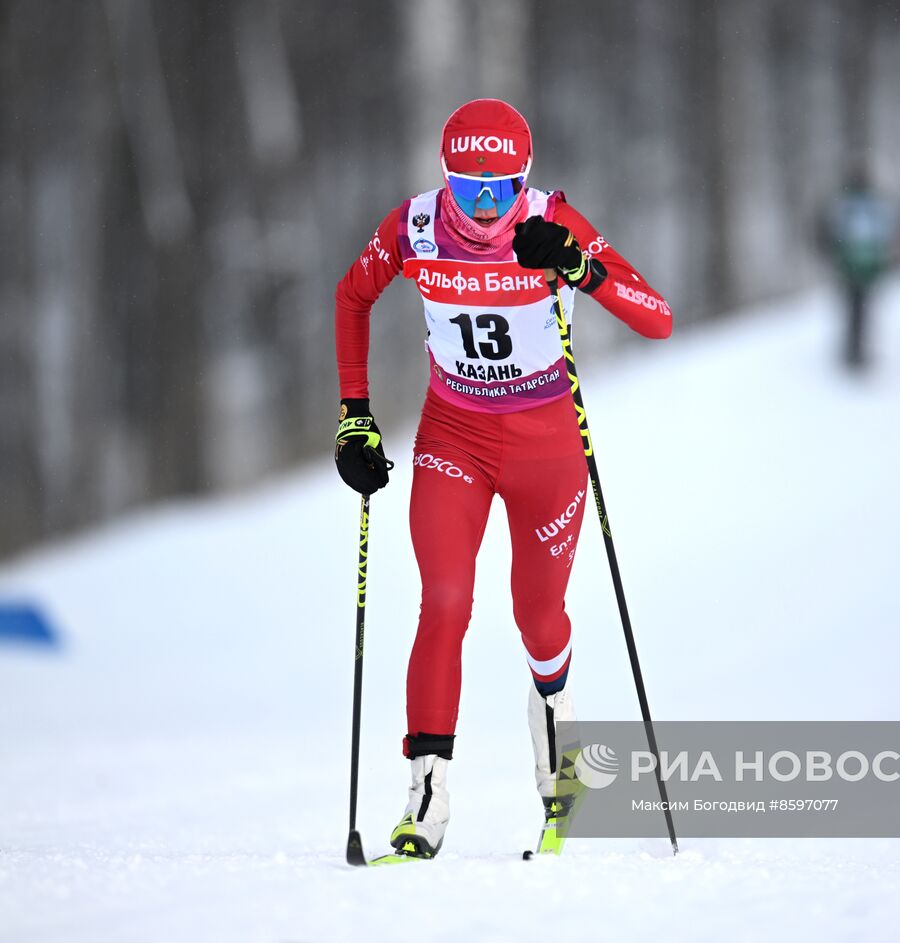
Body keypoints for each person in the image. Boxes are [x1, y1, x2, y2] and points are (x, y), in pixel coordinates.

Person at [332, 99, 673, 858]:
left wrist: (582, 269)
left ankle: (563, 767)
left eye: (503, 186)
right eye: (468, 187)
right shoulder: (412, 228)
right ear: (445, 177)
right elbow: (351, 296)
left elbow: (657, 316)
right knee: (445, 600)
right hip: (454, 434)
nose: (486, 206)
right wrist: (355, 412)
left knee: (539, 618)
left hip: (546, 446)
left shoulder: (552, 220)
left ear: (525, 176)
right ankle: (425, 799)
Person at [817, 166, 900, 371]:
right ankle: (859, 350)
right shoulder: (875, 203)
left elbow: (826, 232)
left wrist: (831, 254)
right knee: (863, 308)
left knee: (852, 308)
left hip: (847, 265)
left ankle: (852, 350)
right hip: (868, 265)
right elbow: (888, 233)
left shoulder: (841, 202)